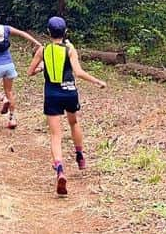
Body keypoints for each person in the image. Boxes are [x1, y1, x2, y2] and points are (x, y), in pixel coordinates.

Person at [27, 15, 107, 196]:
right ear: (65, 32)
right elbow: (78, 72)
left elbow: (30, 72)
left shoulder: (42, 50)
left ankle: (60, 169)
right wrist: (97, 81)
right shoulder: (69, 48)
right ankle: (80, 156)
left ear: (48, 32)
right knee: (74, 123)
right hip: (70, 92)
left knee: (56, 134)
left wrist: (42, 68)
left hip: (52, 94)